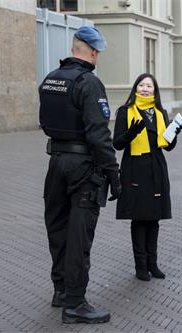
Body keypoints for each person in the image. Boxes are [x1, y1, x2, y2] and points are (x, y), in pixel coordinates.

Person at [39, 26, 120, 324]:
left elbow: (43, 121)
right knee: (78, 236)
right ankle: (75, 303)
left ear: (73, 48)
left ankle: (61, 290)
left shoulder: (50, 80)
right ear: (93, 52)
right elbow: (99, 135)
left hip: (55, 162)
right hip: (83, 167)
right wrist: (114, 173)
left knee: (57, 229)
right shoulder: (89, 83)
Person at [113, 73, 181, 282]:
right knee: (139, 218)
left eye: (149, 86)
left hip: (156, 168)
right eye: (141, 85)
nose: (145, 89)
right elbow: (117, 143)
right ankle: (141, 266)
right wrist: (131, 133)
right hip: (135, 168)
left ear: (154, 90)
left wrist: (174, 133)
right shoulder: (125, 112)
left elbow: (168, 146)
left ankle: (153, 264)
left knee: (154, 218)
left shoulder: (160, 112)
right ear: (135, 88)